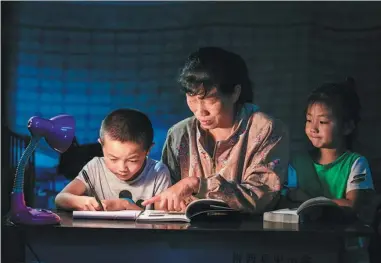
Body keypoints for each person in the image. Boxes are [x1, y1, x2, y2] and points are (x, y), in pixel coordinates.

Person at [142, 47, 289, 213]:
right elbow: (166, 193)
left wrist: (197, 185)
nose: (200, 111)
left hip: (247, 233)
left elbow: (262, 196)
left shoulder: (266, 130)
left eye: (210, 101)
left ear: (234, 93)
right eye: (192, 99)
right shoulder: (179, 134)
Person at [55, 108, 171, 211]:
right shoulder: (95, 167)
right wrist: (83, 201)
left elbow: (160, 221)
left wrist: (126, 205)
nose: (122, 168)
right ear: (101, 145)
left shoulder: (157, 173)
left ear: (148, 150)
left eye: (132, 160)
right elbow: (60, 199)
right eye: (113, 159)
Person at [285, 78, 375, 210]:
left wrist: (308, 200)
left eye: (323, 122)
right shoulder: (297, 162)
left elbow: (352, 205)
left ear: (347, 127)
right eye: (309, 120)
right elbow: (286, 201)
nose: (313, 129)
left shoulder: (355, 163)